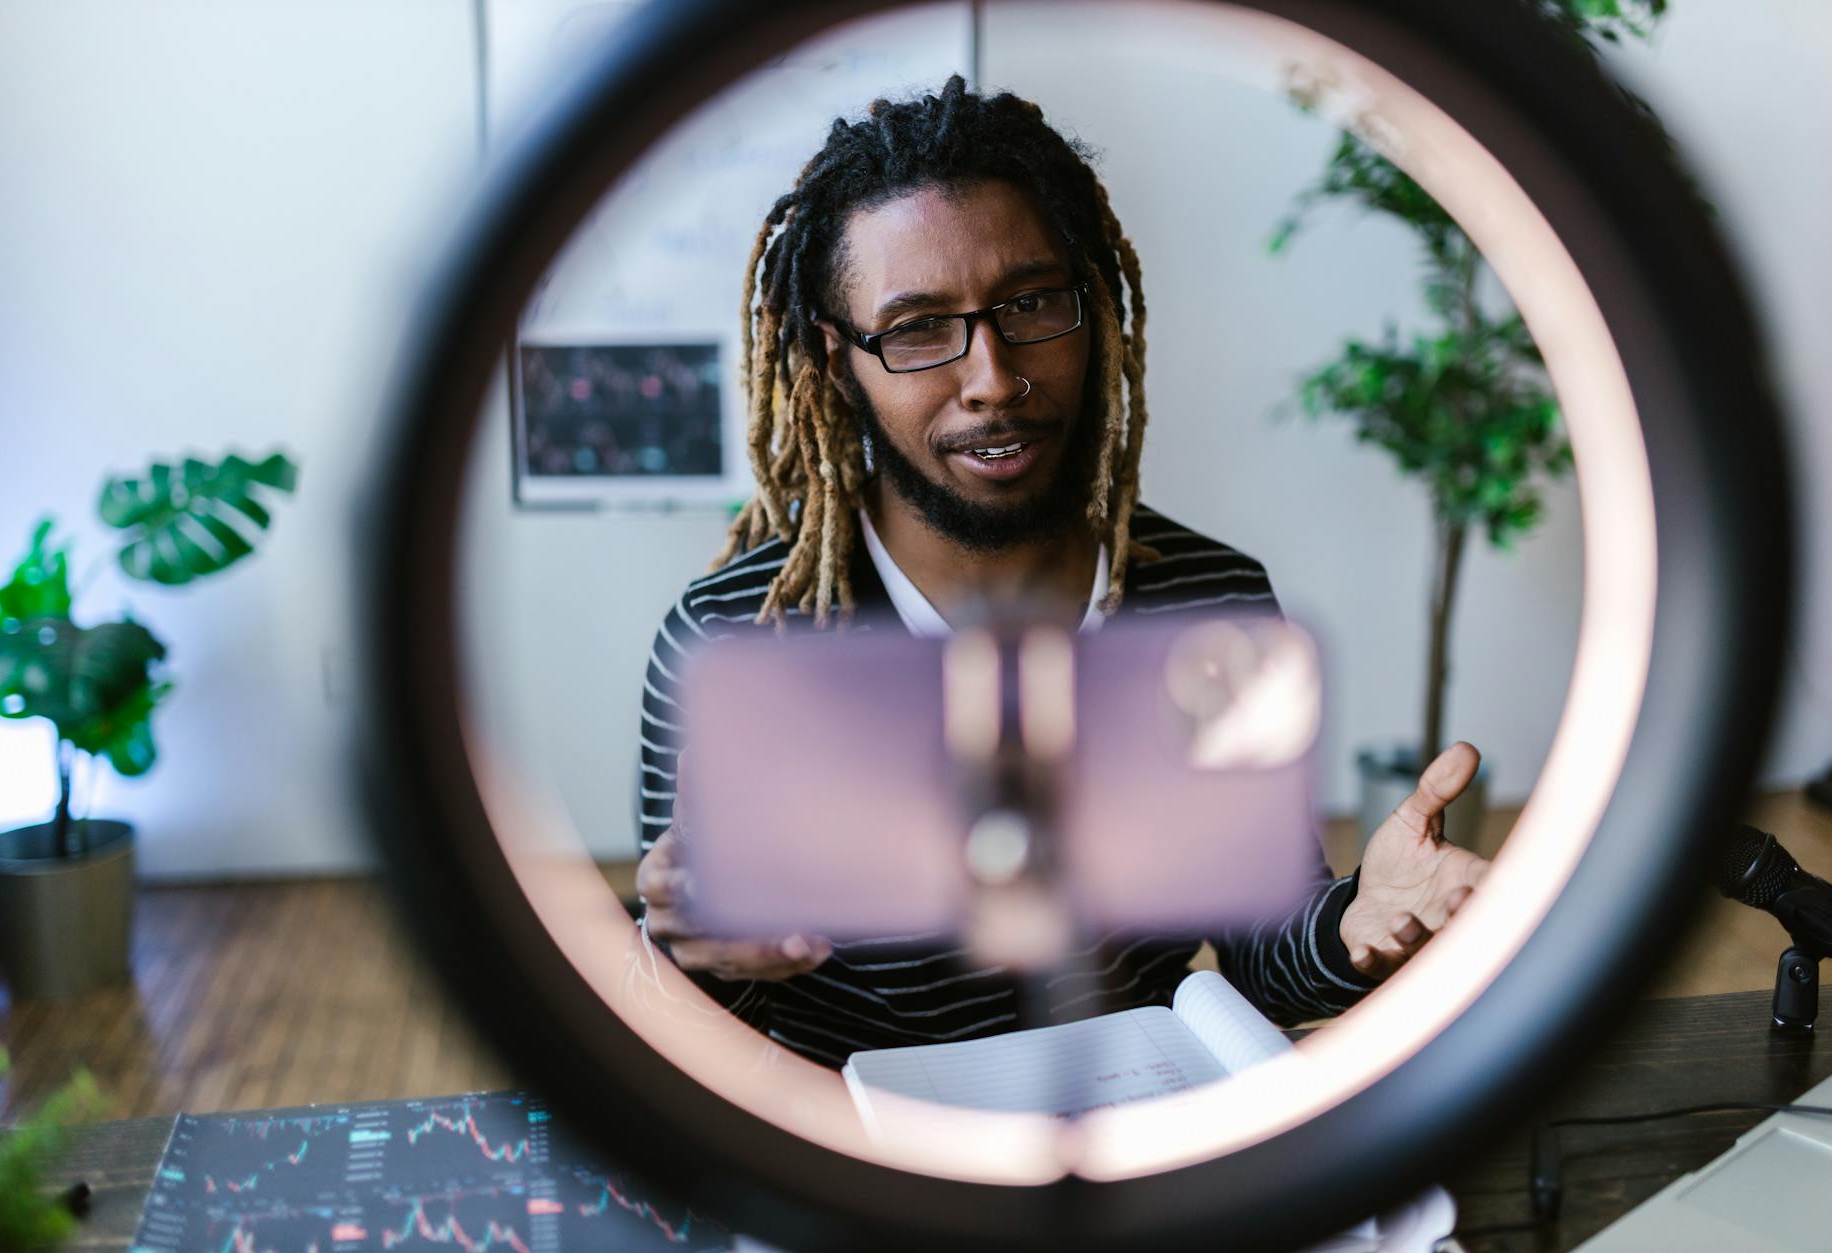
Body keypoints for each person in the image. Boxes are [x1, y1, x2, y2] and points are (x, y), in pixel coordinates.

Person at [634, 75, 1487, 1069]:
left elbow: (1261, 955)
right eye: (916, 329)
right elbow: (682, 1020)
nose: (993, 378)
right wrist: (694, 959)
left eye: (1032, 302)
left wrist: (1355, 921)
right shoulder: (733, 640)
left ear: (1097, 310)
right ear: (835, 361)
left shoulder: (1205, 604)